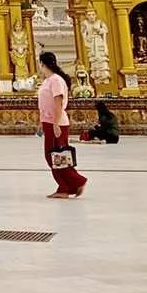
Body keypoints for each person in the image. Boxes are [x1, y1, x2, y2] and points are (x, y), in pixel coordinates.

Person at [38, 51, 88, 198]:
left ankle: (76, 181)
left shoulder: (56, 80)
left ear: (42, 64)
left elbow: (58, 102)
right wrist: (42, 122)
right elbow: (45, 104)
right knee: (53, 155)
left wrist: (56, 123)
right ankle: (66, 186)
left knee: (58, 155)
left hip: (57, 122)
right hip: (49, 121)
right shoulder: (48, 80)